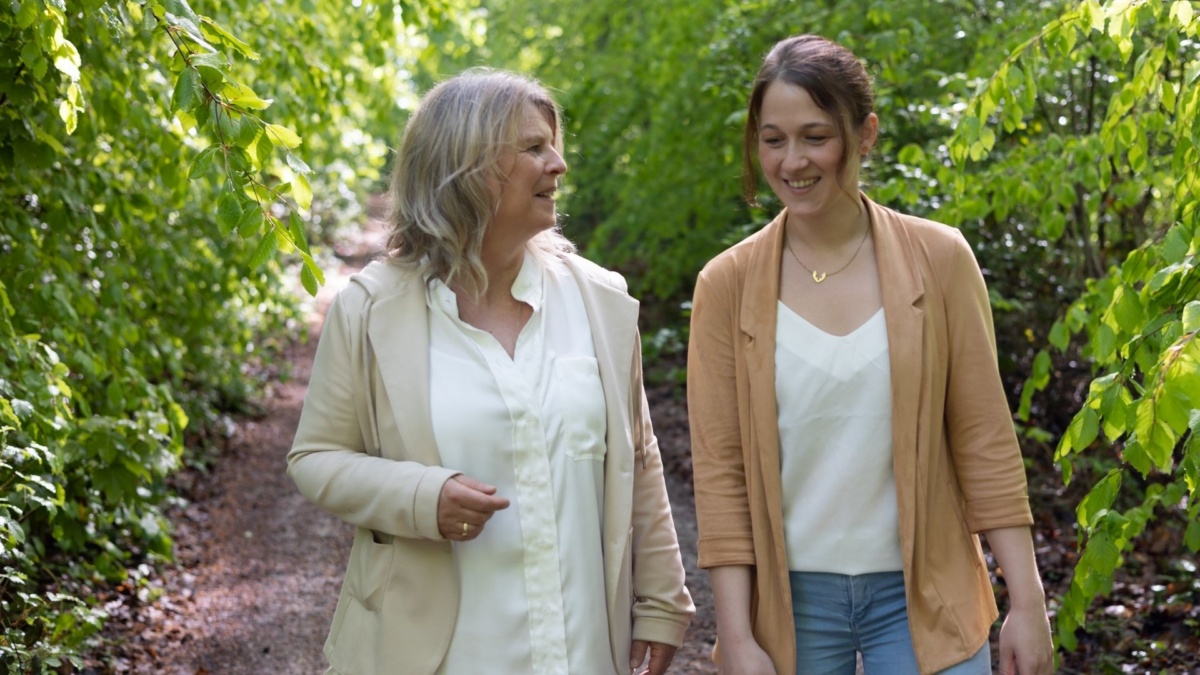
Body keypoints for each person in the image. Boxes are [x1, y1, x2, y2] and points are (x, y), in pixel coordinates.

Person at [288, 68, 694, 675]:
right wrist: (422, 496)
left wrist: (662, 602)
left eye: (553, 146)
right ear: (464, 166)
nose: (557, 164)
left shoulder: (599, 302)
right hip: (436, 656)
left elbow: (640, 456)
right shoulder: (370, 309)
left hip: (583, 651)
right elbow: (315, 457)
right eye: (533, 148)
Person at [686, 35, 1054, 675]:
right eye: (773, 140)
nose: (793, 161)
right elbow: (722, 472)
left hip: (925, 596)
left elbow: (983, 436)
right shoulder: (727, 283)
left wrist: (1027, 602)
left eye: (815, 136)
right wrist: (738, 636)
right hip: (791, 609)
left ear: (865, 133)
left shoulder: (939, 259)